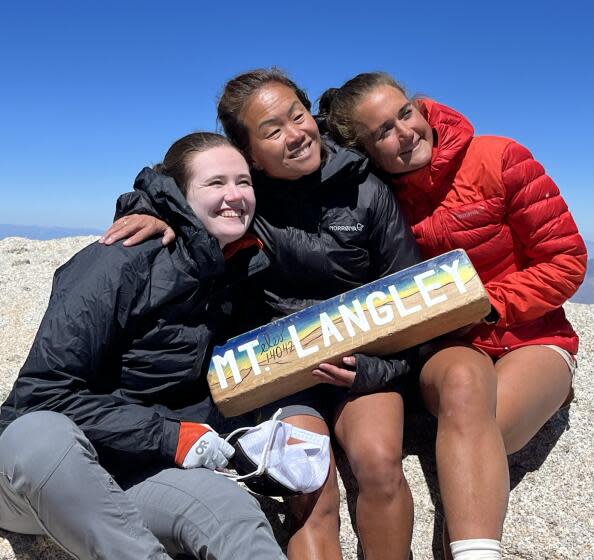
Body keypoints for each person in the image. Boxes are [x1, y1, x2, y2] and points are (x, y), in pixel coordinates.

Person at [102, 68, 423, 560]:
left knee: (379, 465)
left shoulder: (365, 187)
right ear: (249, 152)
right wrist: (145, 206)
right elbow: (172, 180)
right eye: (273, 131)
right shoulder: (241, 195)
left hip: (362, 360)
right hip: (280, 372)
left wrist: (372, 369)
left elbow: (412, 299)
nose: (295, 134)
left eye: (297, 116)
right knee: (310, 490)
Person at [319, 72, 587, 560]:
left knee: (480, 439)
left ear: (419, 106)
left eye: (404, 113)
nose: (404, 133)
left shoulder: (499, 156)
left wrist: (489, 304)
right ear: (365, 150)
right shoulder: (376, 198)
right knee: (465, 399)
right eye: (382, 132)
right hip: (450, 349)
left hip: (531, 337)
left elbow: (566, 260)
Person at [0, 132, 286, 560]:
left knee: (230, 511)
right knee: (42, 434)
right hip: (46, 475)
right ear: (178, 193)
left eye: (243, 182)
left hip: (133, 474)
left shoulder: (237, 273)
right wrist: (171, 437)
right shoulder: (119, 259)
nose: (234, 195)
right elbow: (41, 396)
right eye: (215, 183)